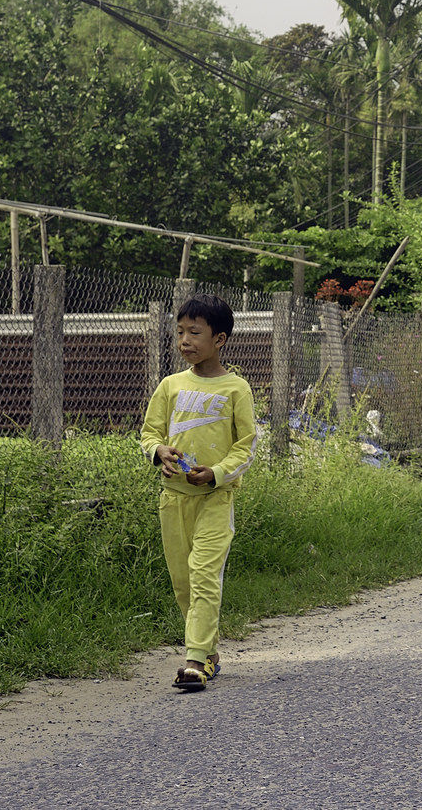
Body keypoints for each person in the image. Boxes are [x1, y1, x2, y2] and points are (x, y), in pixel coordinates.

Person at [139, 294, 258, 692]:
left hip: (215, 499)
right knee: (183, 583)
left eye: (195, 332)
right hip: (172, 499)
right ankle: (208, 652)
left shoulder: (235, 388)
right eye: (180, 332)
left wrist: (217, 474)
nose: (185, 340)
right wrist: (159, 452)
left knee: (205, 574)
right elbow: (149, 433)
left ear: (219, 338)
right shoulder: (170, 386)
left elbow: (247, 446)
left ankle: (193, 661)